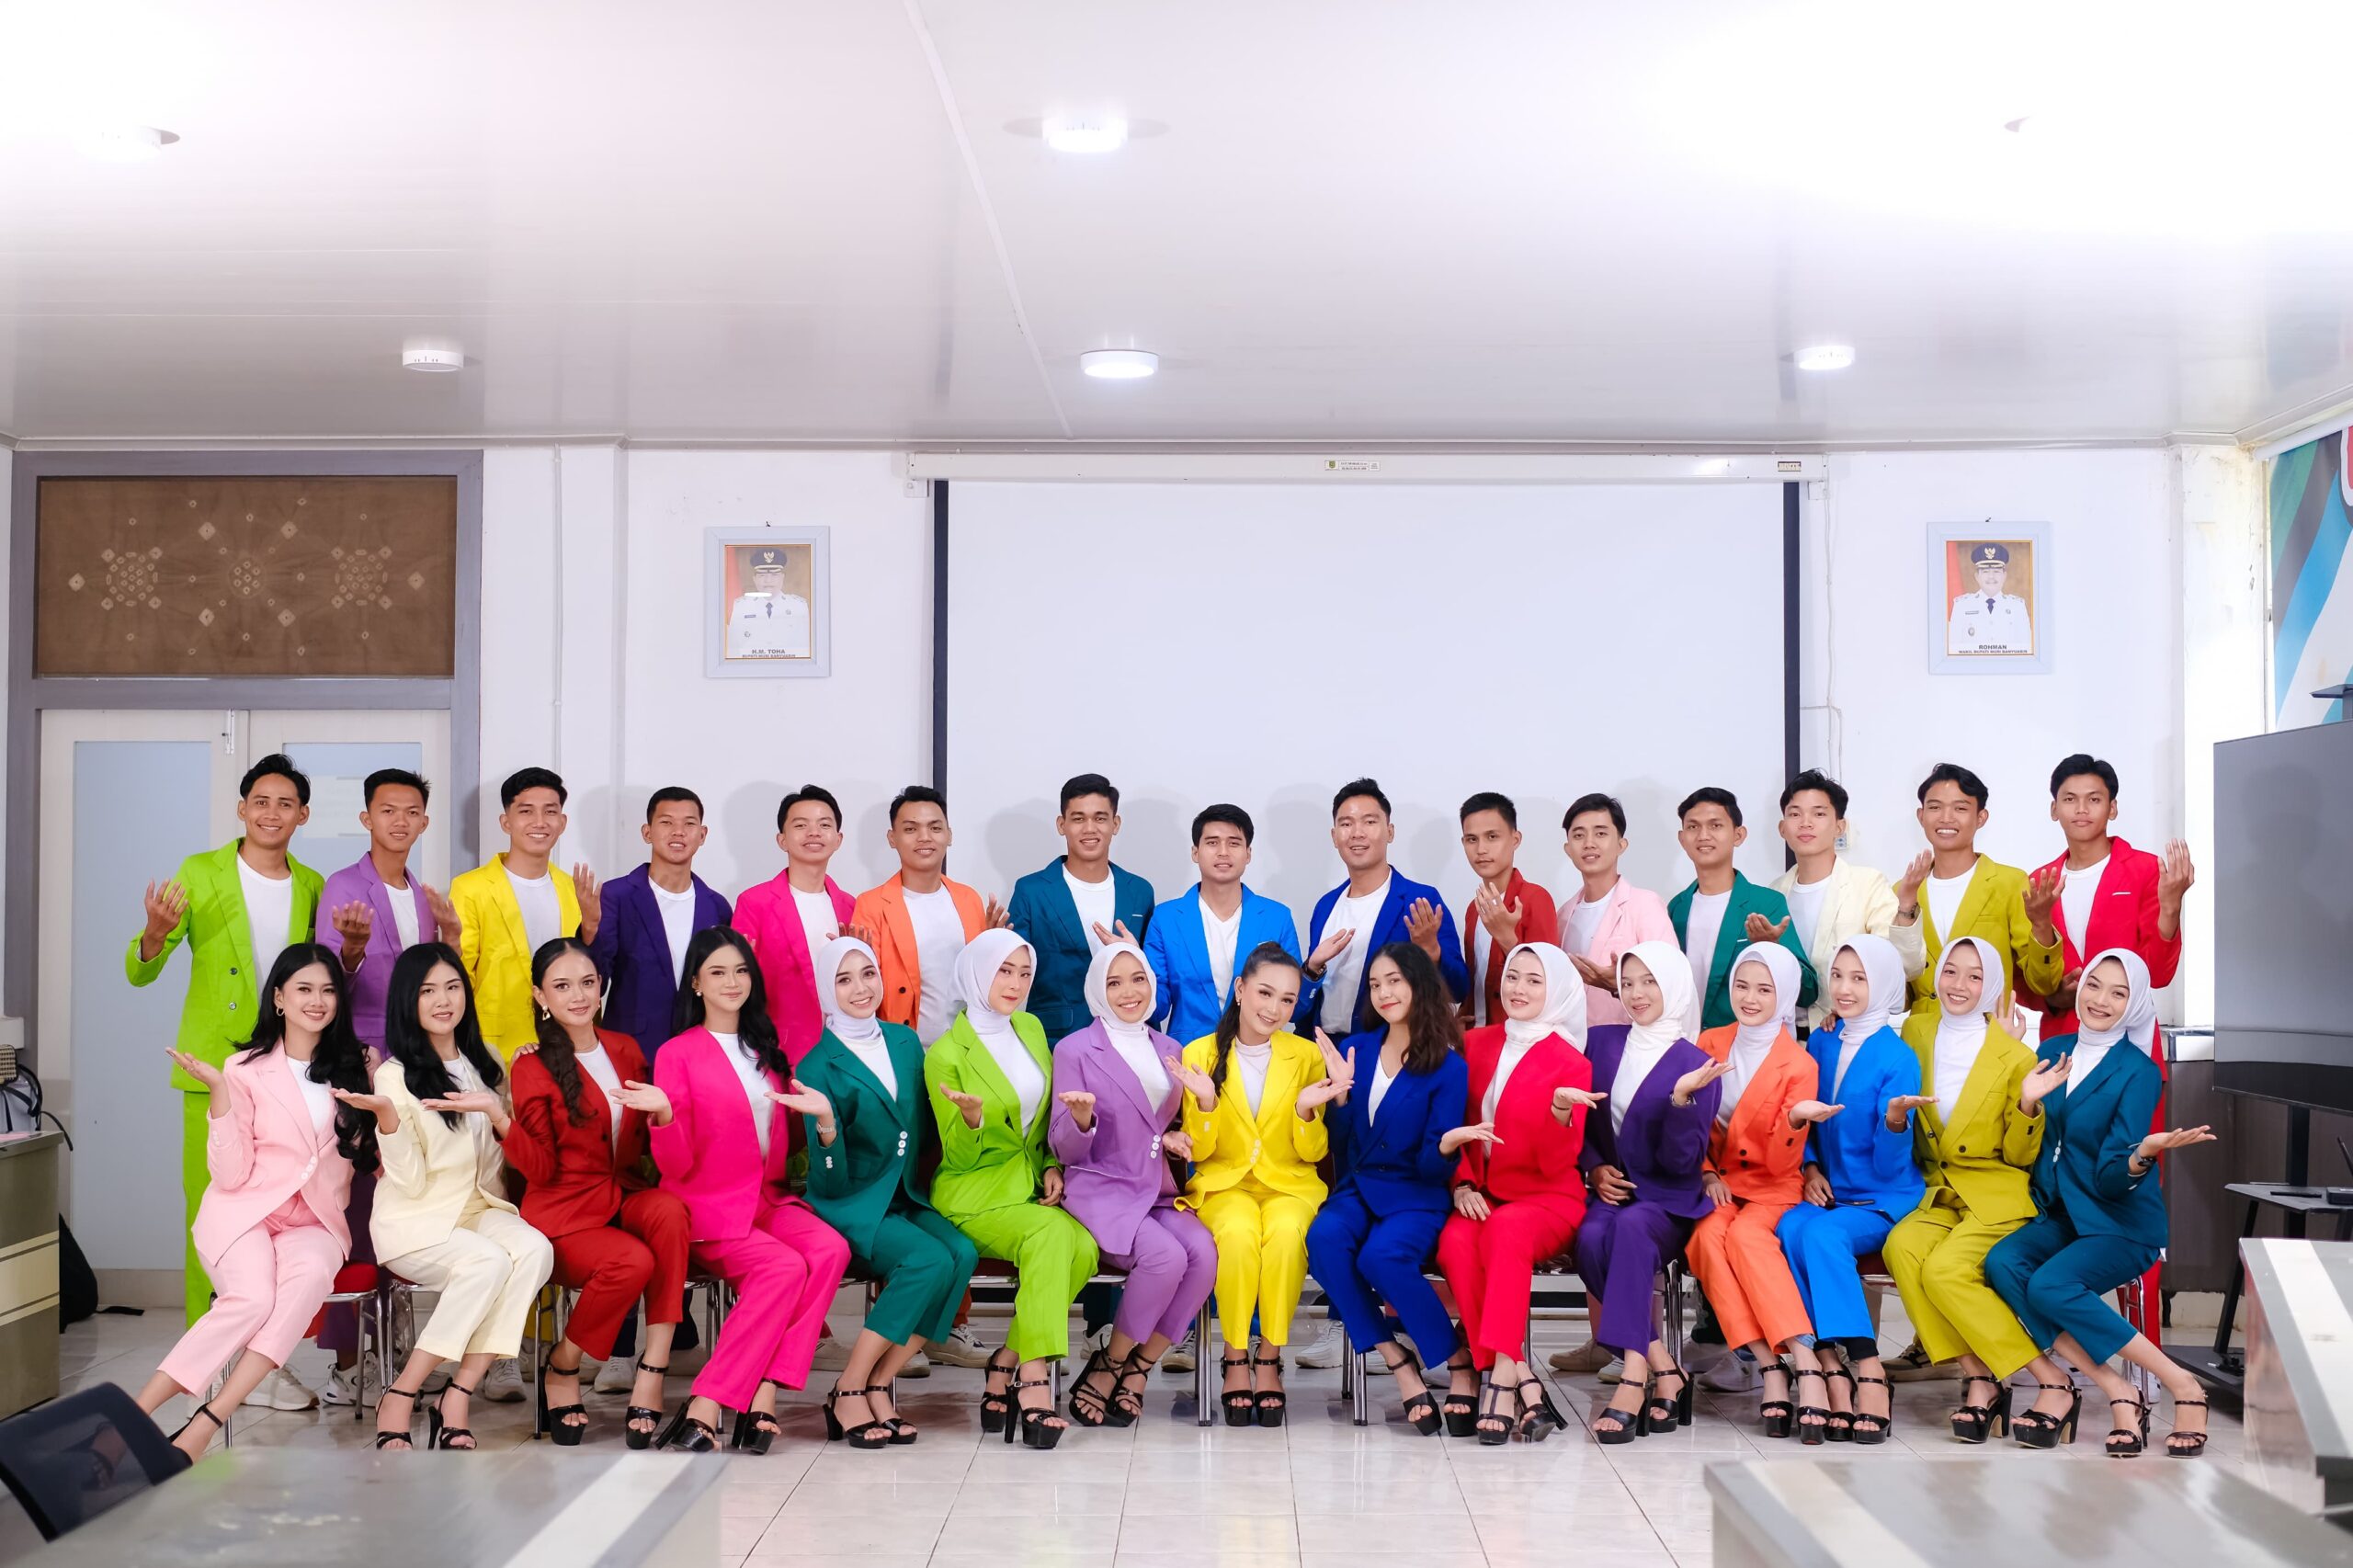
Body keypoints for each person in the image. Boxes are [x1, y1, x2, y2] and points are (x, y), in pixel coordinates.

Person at [128, 753, 326, 1415]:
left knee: (279, 1219)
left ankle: (261, 1364)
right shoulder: (200, 872)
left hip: (286, 1071)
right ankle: (204, 1363)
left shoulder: (312, 885)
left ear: (302, 814)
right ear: (242, 809)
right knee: (210, 1221)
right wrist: (153, 935)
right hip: (211, 1071)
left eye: (285, 803)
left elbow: (318, 976)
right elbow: (141, 971)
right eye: (260, 801)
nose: (272, 813)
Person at [131, 944, 377, 1460]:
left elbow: (374, 1159)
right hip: (246, 1213)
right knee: (252, 1299)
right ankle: (133, 1416)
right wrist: (219, 1095)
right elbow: (230, 1174)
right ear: (279, 998)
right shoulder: (243, 1068)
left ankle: (206, 1423)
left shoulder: (360, 1066)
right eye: (304, 989)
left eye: (328, 990)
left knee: (307, 1281)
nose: (317, 1001)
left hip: (316, 1222)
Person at [1984, 949, 2216, 1456]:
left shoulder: (2138, 1071)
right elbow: (2029, 1145)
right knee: (2003, 1263)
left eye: (2119, 992)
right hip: (2061, 1212)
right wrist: (2027, 1102)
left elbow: (2112, 1181)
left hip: (2119, 1222)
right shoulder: (2053, 1048)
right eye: (2094, 984)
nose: (2101, 1000)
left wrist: (2142, 1154)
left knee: (2050, 1284)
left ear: (2135, 1004)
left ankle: (2183, 1384)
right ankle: (2117, 1387)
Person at [644, 927, 853, 1452]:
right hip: (708, 1208)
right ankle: (710, 1403)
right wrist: (665, 1117)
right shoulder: (676, 1053)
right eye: (717, 972)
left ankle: (764, 1386)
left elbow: (785, 1141)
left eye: (740, 970)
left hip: (768, 1199)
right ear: (696, 983)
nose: (732, 982)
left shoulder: (767, 1052)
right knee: (783, 1268)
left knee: (830, 1250)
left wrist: (822, 1119)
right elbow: (675, 1165)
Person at [347, 944, 554, 1450]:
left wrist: (524, 1072)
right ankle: (403, 1391)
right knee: (487, 1263)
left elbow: (509, 1148)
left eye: (453, 987)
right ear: (408, 1000)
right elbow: (410, 1183)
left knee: (536, 1250)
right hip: (416, 1219)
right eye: (428, 991)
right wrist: (388, 1121)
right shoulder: (395, 1075)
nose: (443, 1000)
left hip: (480, 1207)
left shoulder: (487, 1063)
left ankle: (457, 1392)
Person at [499, 938, 690, 1448]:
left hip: (623, 1192)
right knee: (632, 1261)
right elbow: (539, 1168)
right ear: (540, 996)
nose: (579, 996)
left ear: (601, 985)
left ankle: (652, 1368)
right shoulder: (531, 1066)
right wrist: (502, 1121)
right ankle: (564, 1364)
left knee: (669, 1211)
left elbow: (645, 1146)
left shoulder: (626, 1049)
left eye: (587, 982)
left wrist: (665, 1113)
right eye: (562, 986)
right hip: (564, 1214)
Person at [791, 936, 979, 1448]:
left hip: (906, 1195)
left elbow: (925, 1128)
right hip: (853, 1205)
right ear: (826, 990)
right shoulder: (816, 1066)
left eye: (868, 974)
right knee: (927, 1260)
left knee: (961, 1253)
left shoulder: (905, 1042)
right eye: (843, 979)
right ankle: (850, 1387)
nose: (860, 988)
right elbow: (829, 1181)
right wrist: (827, 1126)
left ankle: (878, 1383)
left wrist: (967, 1120)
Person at [313, 767, 460, 1408]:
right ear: (366, 818)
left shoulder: (424, 896)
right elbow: (326, 985)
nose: (400, 821)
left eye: (411, 812)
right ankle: (348, 1363)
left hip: (413, 1069)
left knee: (405, 1205)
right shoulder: (344, 887)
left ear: (424, 821)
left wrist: (452, 942)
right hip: (360, 1068)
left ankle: (397, 1350)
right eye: (387, 810)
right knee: (356, 1212)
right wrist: (350, 950)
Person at [925, 929, 1097, 1449]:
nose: (1016, 983)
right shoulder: (946, 1054)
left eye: (1025, 973)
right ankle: (1034, 1379)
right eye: (1004, 971)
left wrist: (1052, 1164)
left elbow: (1042, 1121)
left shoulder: (1030, 1027)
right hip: (973, 1196)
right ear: (977, 972)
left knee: (1084, 1248)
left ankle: (1005, 1362)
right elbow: (957, 1157)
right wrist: (971, 1121)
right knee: (1052, 1235)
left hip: (1027, 1189)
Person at [1881, 936, 2049, 1443]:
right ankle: (1979, 1374)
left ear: (1992, 986)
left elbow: (2020, 1157)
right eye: (1951, 971)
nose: (1959, 984)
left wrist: (2027, 1106)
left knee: (1945, 1270)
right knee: (1901, 1248)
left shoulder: (2015, 1055)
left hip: (1994, 1192)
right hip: (1938, 1189)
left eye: (1975, 976)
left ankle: (2044, 1376)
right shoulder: (1916, 1028)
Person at [1303, 944, 1468, 1437]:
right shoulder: (1358, 1048)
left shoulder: (1449, 1066)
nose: (1383, 993)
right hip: (1359, 1188)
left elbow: (1430, 1168)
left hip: (1415, 1194)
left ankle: (1458, 1361)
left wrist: (1446, 1147)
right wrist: (1340, 1098)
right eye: (1375, 984)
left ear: (1419, 984)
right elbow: (1343, 1143)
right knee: (1323, 1239)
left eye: (1394, 981)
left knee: (1382, 1258)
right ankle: (1397, 1358)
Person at [1052, 943, 1217, 1427]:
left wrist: (1173, 1138)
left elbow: (1156, 1125)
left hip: (1155, 1188)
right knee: (1165, 1257)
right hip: (1102, 1192)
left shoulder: (1170, 1050)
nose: (1129, 992)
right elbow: (1064, 1149)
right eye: (1114, 982)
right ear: (1097, 990)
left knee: (1204, 1255)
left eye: (1138, 978)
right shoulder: (1074, 1049)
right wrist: (1081, 1120)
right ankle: (1110, 1364)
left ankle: (1140, 1368)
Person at [1173, 942, 1336, 1426]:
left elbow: (1313, 1152)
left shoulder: (1305, 1055)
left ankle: (1269, 1355)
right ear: (1241, 989)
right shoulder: (1199, 1053)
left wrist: (1305, 1112)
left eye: (1288, 1000)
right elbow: (1199, 1151)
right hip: (1225, 1184)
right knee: (1239, 1236)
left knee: (1285, 1237)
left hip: (1289, 1184)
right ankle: (1235, 1356)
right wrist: (1205, 1104)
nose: (1275, 1008)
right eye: (1265, 993)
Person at [1435, 941, 1590, 1444]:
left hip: (1547, 1198)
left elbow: (1558, 1162)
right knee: (1455, 1242)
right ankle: (1523, 1375)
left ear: (1556, 991)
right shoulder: (1475, 1043)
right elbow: (1453, 1121)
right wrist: (1461, 1182)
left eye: (1534, 980)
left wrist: (1560, 1113)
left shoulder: (1571, 1062)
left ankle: (1502, 1377)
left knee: (1506, 1229)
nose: (1518, 988)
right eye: (1513, 976)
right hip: (1483, 1191)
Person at [1574, 941, 1726, 1442]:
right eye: (1627, 983)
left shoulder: (1697, 1064)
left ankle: (1635, 1374)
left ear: (1674, 985)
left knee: (1633, 1229)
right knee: (1589, 1239)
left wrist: (1681, 1100)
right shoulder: (1601, 1043)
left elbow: (1682, 1165)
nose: (1636, 993)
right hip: (1611, 1193)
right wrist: (1594, 1168)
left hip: (1666, 1199)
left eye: (1649, 982)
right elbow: (1584, 1126)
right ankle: (1666, 1366)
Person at [1775, 936, 1924, 1445]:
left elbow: (1888, 1166)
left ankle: (1867, 1368)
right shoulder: (1822, 1042)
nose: (1844, 988)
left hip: (1882, 1197)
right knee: (1788, 1227)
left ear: (1882, 984)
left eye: (1859, 978)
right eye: (1837, 975)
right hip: (1829, 1191)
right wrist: (1810, 1168)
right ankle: (1827, 1364)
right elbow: (1806, 1121)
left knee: (1822, 1236)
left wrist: (1895, 1121)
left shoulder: (1898, 1058)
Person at [1684, 944, 1826, 1440]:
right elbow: (1691, 1123)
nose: (1750, 998)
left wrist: (1794, 1122)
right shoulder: (1710, 1041)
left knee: (1747, 1238)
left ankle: (1805, 1360)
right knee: (1706, 1238)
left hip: (1772, 1185)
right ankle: (1770, 1366)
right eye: (1742, 986)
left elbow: (1783, 1163)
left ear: (1783, 995)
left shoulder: (1799, 1064)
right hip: (1718, 1182)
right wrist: (1706, 1173)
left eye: (1765, 989)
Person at [2025, 756, 2194, 1043]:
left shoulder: (2145, 871)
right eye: (2069, 799)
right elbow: (2022, 977)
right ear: (2054, 809)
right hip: (2061, 1044)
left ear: (2112, 808)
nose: (2081, 809)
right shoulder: (2039, 882)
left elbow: (2158, 975)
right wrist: (2051, 999)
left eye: (2094, 799)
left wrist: (2171, 908)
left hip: (2129, 1042)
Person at [450, 767, 602, 1061]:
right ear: (506, 822)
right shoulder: (470, 888)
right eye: (526, 811)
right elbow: (459, 976)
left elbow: (584, 970)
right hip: (495, 1046)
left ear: (562, 822)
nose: (539, 822)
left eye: (550, 811)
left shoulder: (572, 888)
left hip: (565, 1043)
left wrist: (591, 928)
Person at [1893, 763, 2063, 1024]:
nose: (1946, 818)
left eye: (1960, 808)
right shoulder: (1903, 891)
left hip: (1989, 1036)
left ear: (1981, 818)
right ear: (1921, 816)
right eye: (1935, 807)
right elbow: (1899, 996)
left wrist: (2042, 923)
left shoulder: (2009, 883)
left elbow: (2043, 983)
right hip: (1922, 1039)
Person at [1302, 778, 1467, 1038]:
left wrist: (1432, 952)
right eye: (1346, 824)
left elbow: (1458, 989)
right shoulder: (1325, 906)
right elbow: (1311, 997)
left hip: (1387, 1050)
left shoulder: (1419, 900)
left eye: (1369, 822)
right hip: (1322, 1049)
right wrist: (1311, 970)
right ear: (1334, 837)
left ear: (1390, 832)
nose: (1357, 833)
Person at [1764, 771, 1924, 1029]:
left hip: (1845, 1033)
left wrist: (1905, 908)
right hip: (1782, 1036)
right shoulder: (1772, 894)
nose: (1805, 823)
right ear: (1782, 829)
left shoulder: (1867, 884)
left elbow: (1904, 967)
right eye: (1795, 814)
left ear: (1840, 827)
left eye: (1818, 814)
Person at [586, 788, 733, 1065]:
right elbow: (596, 980)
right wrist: (590, 930)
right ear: (647, 832)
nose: (678, 831)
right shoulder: (615, 896)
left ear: (702, 835)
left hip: (700, 1051)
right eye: (666, 822)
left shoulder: (717, 906)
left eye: (689, 823)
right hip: (630, 1049)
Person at [1007, 773, 1157, 1043]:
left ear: (1115, 824)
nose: (1090, 828)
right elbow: (1012, 969)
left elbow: (1151, 971)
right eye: (1078, 819)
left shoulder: (1140, 891)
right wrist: (993, 945)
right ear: (1061, 824)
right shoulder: (1031, 891)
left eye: (1100, 818)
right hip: (1056, 1038)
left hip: (1129, 1035)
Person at [850, 786, 1005, 1044]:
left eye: (935, 828)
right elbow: (862, 983)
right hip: (902, 1046)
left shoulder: (968, 899)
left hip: (965, 1047)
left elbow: (978, 979)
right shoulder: (872, 905)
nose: (924, 837)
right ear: (892, 838)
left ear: (949, 835)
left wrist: (995, 949)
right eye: (911, 829)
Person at [1142, 803, 1301, 1045]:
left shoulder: (1277, 917)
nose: (1223, 852)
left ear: (1248, 854)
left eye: (1234, 843)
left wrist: (1314, 970)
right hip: (1188, 1053)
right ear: (1195, 852)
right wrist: (1134, 969)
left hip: (1260, 1052)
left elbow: (1295, 1003)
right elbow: (1157, 1008)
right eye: (1212, 842)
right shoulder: (1166, 919)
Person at [1665, 788, 1815, 1031]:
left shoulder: (1766, 903)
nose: (1703, 835)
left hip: (1743, 1044)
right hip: (1686, 1042)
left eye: (1715, 825)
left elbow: (1808, 991)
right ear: (1682, 839)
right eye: (1693, 827)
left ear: (1738, 835)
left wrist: (1773, 948)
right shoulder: (1676, 907)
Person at [735, 784, 858, 1064]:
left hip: (846, 1049)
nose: (814, 832)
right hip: (777, 1050)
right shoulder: (754, 903)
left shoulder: (851, 906)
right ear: (782, 840)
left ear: (838, 839)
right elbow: (739, 981)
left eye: (824, 825)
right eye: (801, 825)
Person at [1556, 794, 1677, 1029]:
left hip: (1627, 1040)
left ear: (1621, 845)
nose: (1589, 843)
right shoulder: (1563, 915)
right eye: (1579, 835)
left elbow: (1671, 981)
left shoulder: (1645, 905)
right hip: (1571, 1041)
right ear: (1568, 849)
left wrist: (1617, 984)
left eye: (1601, 833)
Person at [1457, 792, 1561, 1030]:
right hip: (1476, 1036)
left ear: (1515, 839)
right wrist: (1463, 1014)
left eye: (1492, 837)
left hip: (1518, 1035)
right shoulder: (1473, 909)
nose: (1481, 849)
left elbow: (1549, 980)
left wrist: (1507, 939)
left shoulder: (1535, 899)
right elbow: (1477, 979)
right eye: (1472, 839)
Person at [1946, 541, 2032, 654]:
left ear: (2004, 576)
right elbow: (1953, 650)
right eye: (1985, 571)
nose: (1991, 576)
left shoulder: (2017, 607)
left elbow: (2026, 650)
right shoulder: (1962, 606)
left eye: (1996, 571)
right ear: (1977, 576)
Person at [727, 545, 813, 659]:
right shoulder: (741, 606)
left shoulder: (798, 606)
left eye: (774, 575)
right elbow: (733, 649)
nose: (768, 581)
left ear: (782, 578)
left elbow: (805, 649)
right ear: (754, 579)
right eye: (762, 575)